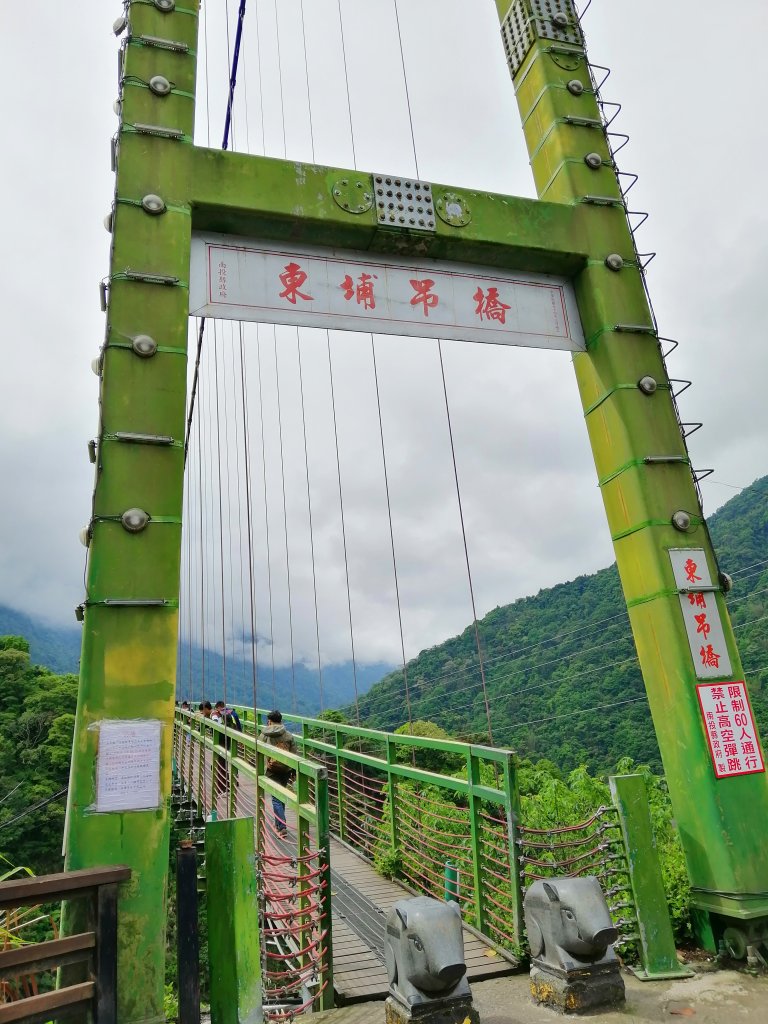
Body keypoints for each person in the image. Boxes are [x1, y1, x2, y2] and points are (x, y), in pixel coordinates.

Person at [259, 710, 298, 836]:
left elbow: (257, 748)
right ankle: (279, 824)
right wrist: (294, 771)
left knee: (276, 797)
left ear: (269, 721)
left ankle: (281, 827)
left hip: (271, 770)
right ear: (281, 720)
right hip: (286, 769)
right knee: (281, 797)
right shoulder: (288, 735)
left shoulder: (265, 735)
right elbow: (294, 754)